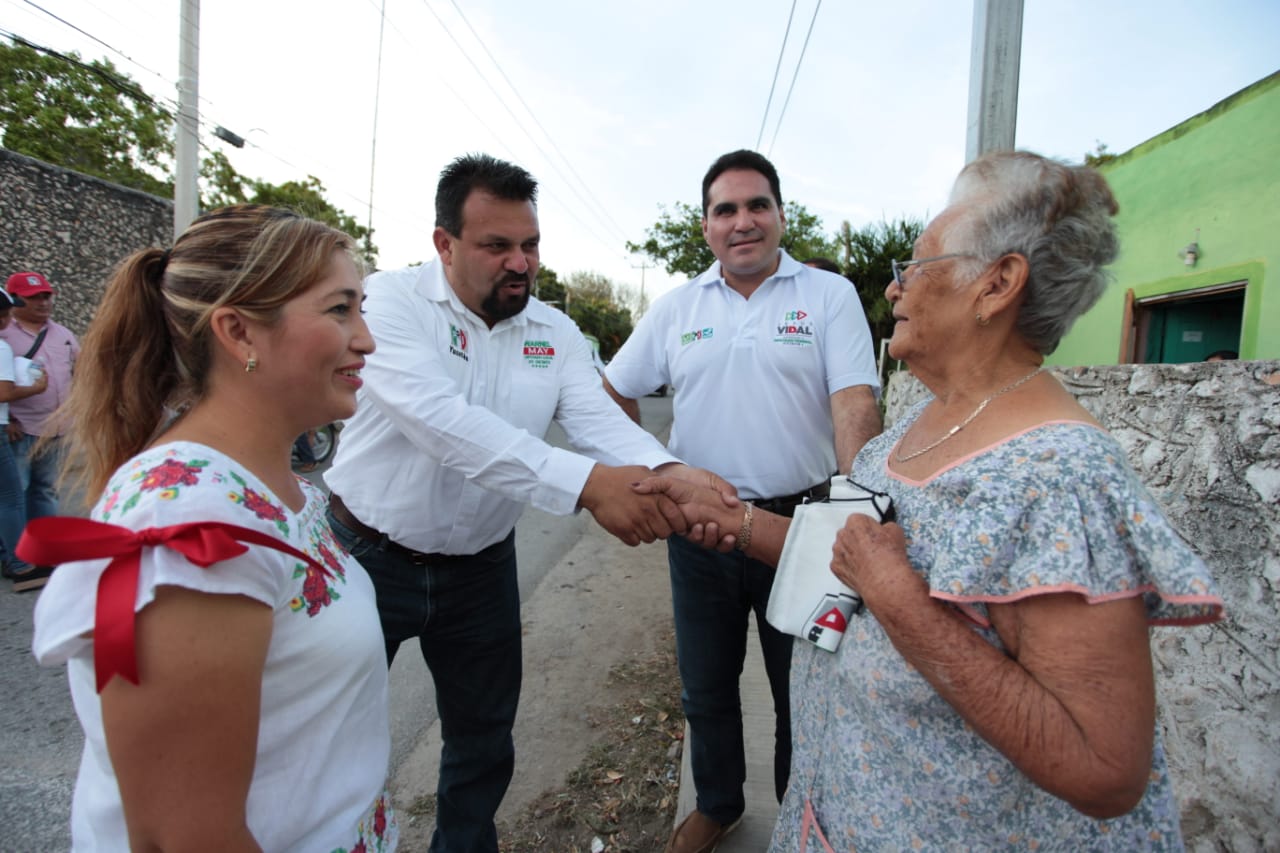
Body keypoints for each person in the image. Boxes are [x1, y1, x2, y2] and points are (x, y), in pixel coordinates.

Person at [636, 150, 1225, 851]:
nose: (895, 288)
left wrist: (900, 600)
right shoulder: (920, 428)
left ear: (997, 284)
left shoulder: (1062, 475)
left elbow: (1105, 769)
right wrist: (734, 520)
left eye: (917, 264)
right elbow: (854, 558)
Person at [323, 153, 729, 853]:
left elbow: (596, 420)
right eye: (497, 245)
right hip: (367, 558)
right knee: (334, 740)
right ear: (444, 244)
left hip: (480, 570)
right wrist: (589, 486)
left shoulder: (554, 333)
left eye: (530, 244)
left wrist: (671, 472)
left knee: (482, 742)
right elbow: (444, 426)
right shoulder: (388, 303)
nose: (521, 263)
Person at [26, 205, 398, 850]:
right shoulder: (191, 523)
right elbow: (186, 836)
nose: (366, 340)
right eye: (340, 309)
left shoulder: (266, 487)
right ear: (239, 332)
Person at [603, 149, 882, 853]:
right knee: (706, 685)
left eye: (758, 205)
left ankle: (797, 817)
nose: (743, 221)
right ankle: (718, 804)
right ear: (706, 226)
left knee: (802, 690)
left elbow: (854, 403)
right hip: (698, 531)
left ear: (781, 215)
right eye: (725, 209)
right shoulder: (676, 308)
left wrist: (859, 512)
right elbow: (612, 393)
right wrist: (655, 472)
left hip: (799, 530)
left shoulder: (828, 295)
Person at [1, 271, 79, 531]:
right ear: (15, 300)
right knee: (16, 492)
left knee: (46, 489)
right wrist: (8, 420)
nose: (43, 303)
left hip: (56, 428)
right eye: (33, 297)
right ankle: (16, 546)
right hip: (20, 429)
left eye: (46, 296)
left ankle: (44, 542)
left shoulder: (62, 334)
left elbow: (81, 370)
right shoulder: (4, 336)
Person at [0, 289, 51, 591]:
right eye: (6, 313)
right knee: (10, 498)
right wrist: (37, 388)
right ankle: (21, 565)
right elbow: (4, 393)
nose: (8, 319)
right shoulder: (2, 348)